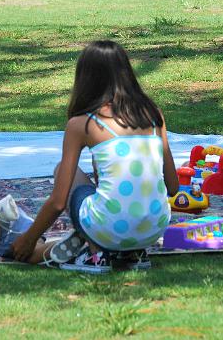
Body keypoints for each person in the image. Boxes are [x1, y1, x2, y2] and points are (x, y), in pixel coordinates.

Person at [11, 40, 180, 273]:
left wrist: (29, 238)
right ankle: (131, 251)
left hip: (109, 227)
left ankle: (96, 251)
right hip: (154, 227)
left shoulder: (82, 124)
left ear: (86, 79)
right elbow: (173, 186)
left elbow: (58, 201)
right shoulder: (153, 114)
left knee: (64, 170)